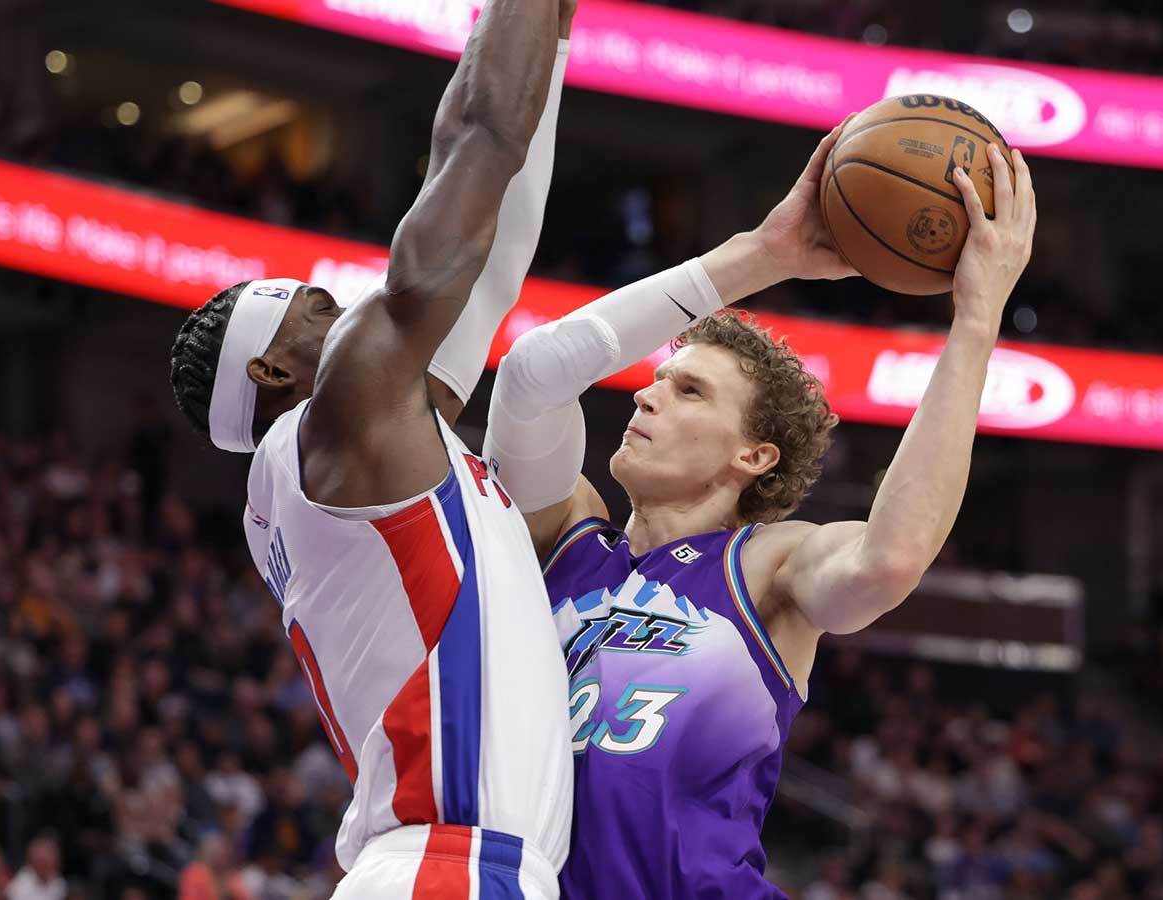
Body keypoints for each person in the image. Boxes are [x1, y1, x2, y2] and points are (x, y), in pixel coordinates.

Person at [484, 136, 1036, 897]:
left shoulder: (766, 565)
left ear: (754, 455)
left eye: (689, 391)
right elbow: (531, 378)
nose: (645, 395)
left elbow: (888, 560)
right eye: (659, 380)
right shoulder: (565, 537)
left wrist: (975, 319)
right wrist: (762, 256)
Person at [165, 0, 576, 893]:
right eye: (317, 307)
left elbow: (497, 253)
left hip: (447, 862)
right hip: (448, 861)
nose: (346, 307)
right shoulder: (340, 420)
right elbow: (478, 143)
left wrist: (553, 27)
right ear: (274, 368)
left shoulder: (358, 454)